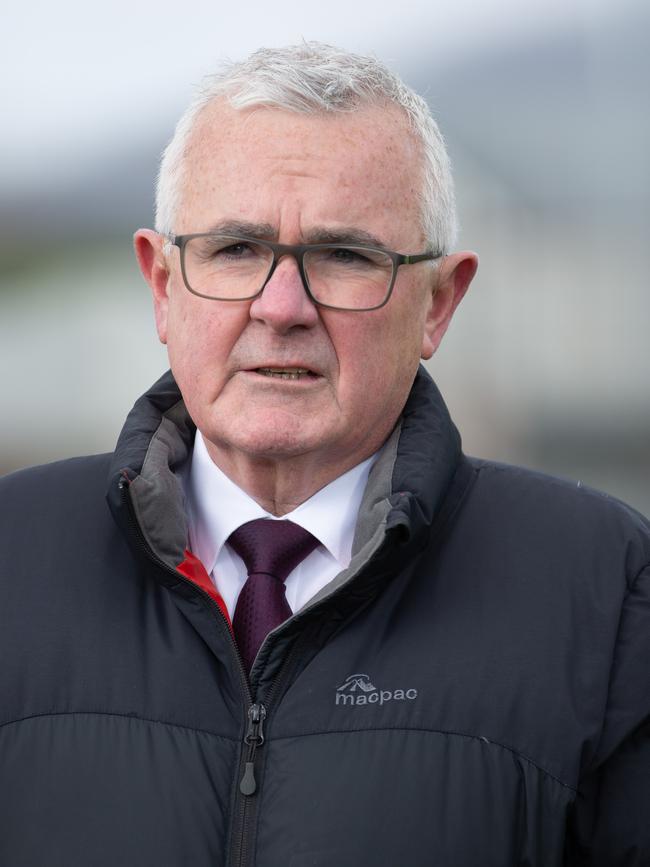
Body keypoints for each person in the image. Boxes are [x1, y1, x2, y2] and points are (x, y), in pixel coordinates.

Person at [0, 42, 648, 867]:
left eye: (345, 256)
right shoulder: (10, 561)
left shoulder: (606, 592)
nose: (282, 307)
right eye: (235, 248)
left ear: (438, 304)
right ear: (163, 285)